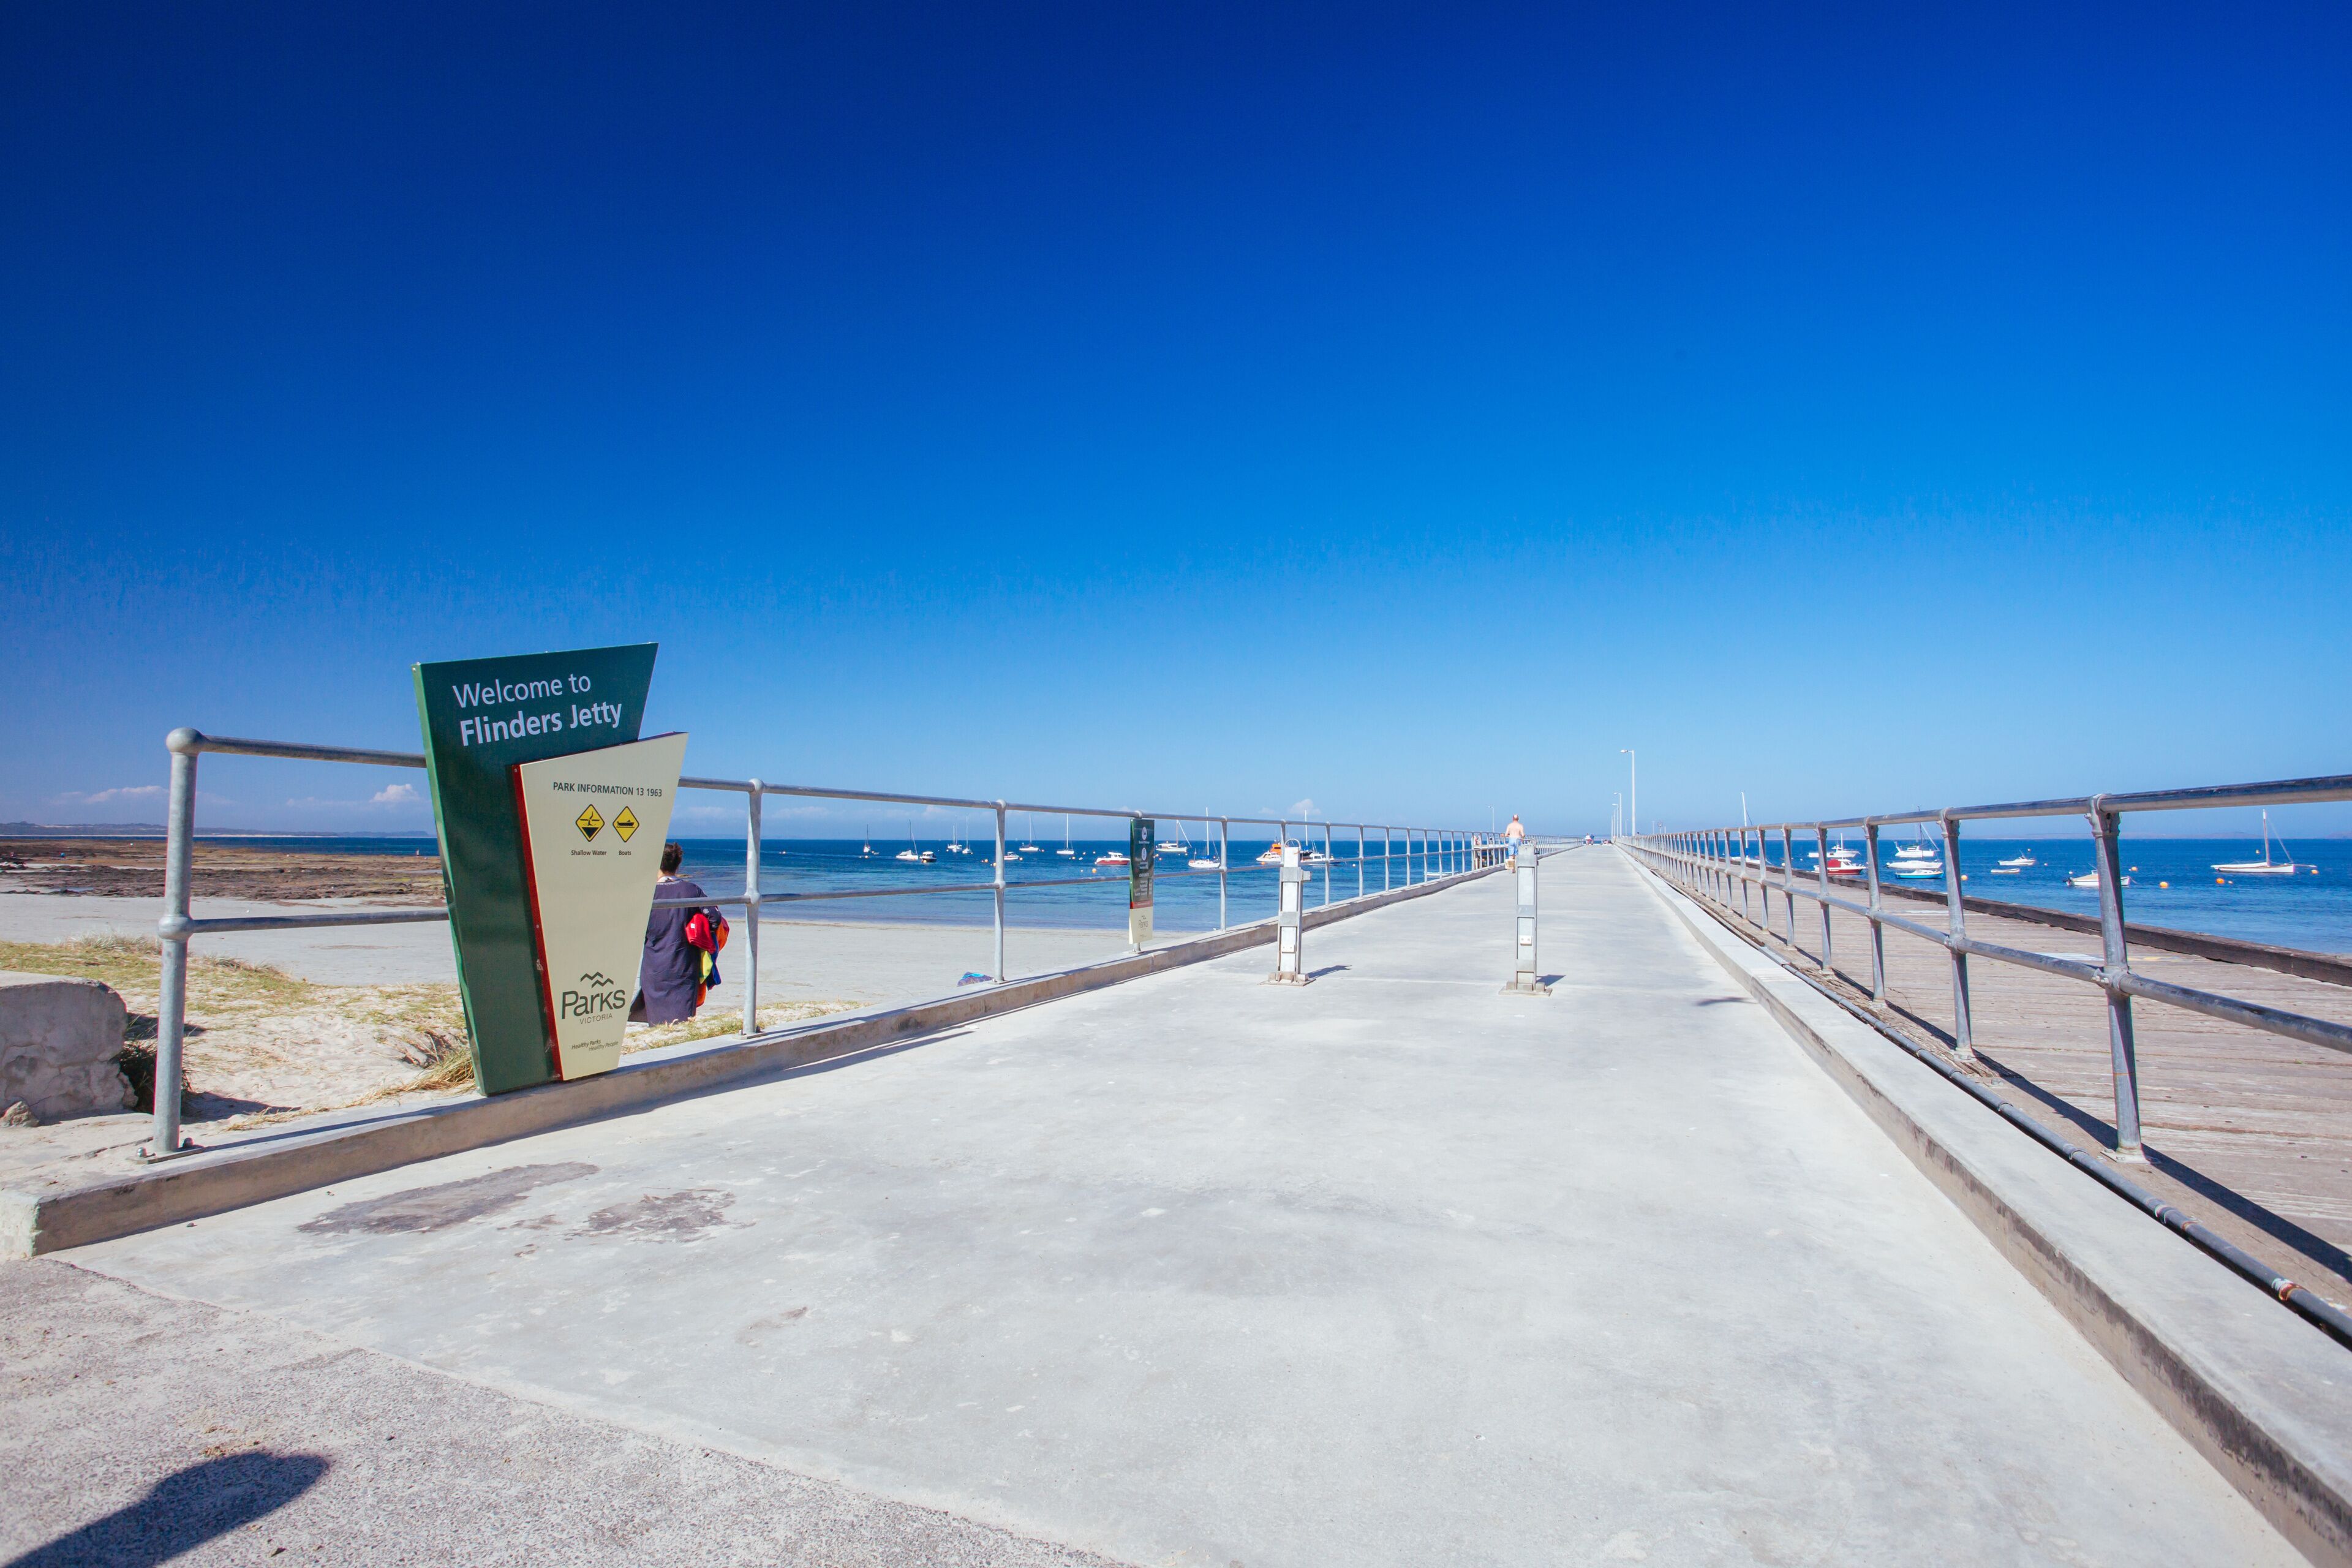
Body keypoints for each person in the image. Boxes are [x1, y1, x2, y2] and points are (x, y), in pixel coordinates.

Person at [633, 842, 719, 1024]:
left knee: (656, 1021)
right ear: (678, 864)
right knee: (683, 1019)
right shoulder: (691, 890)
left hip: (654, 963)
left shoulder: (647, 893)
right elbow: (714, 918)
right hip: (684, 962)